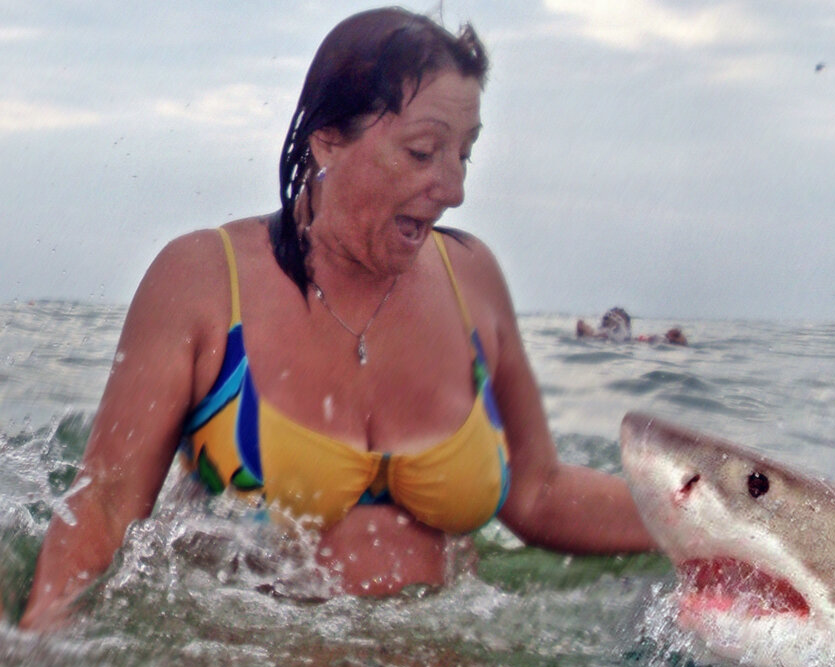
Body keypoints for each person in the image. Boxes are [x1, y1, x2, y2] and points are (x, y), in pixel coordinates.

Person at [19, 8, 656, 631]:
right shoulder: (204, 282)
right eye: (423, 151)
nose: (455, 186)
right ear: (329, 138)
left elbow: (539, 490)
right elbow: (103, 506)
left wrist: (720, 528)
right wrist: (43, 657)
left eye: (465, 153)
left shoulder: (473, 279)